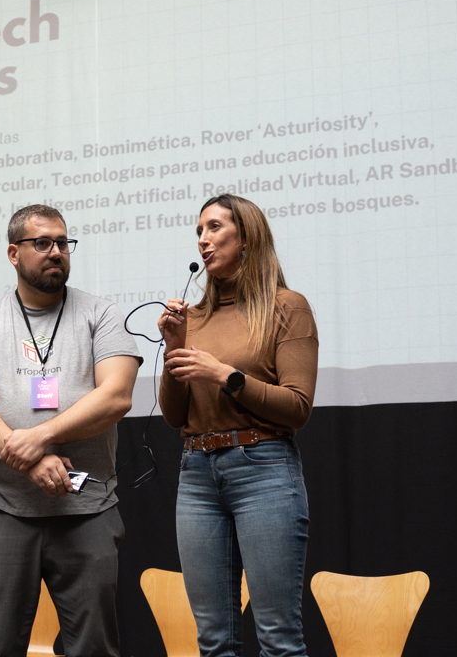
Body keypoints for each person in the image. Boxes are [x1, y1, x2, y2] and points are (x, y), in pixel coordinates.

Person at [0, 204, 143, 657]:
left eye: (63, 243)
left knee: (94, 647)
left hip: (87, 508)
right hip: (2, 508)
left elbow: (116, 396)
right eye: (43, 243)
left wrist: (38, 435)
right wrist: (33, 456)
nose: (56, 252)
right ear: (14, 253)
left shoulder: (101, 314)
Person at [157, 194, 319, 657]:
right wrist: (175, 349)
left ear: (246, 236)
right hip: (196, 475)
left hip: (264, 470)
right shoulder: (195, 316)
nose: (203, 241)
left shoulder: (287, 307)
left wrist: (225, 376)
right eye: (198, 233)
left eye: (214, 228)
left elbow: (297, 407)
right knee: (213, 641)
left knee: (279, 640)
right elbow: (174, 416)